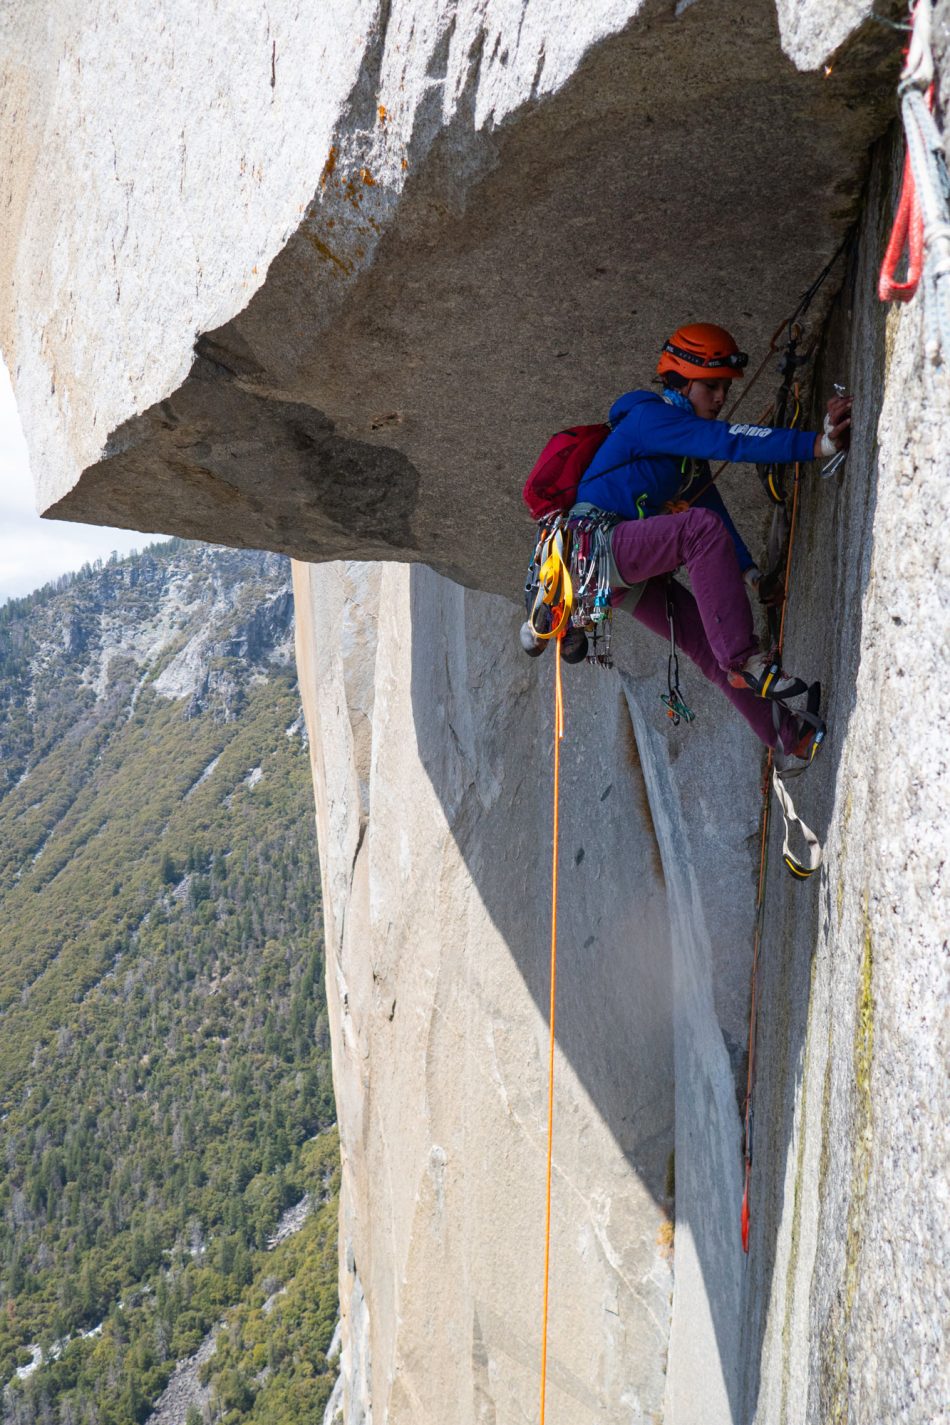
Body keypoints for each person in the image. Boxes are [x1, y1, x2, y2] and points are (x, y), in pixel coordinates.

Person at [573, 322, 852, 758]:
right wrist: (819, 444)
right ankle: (748, 661)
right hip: (596, 545)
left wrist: (750, 573)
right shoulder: (653, 417)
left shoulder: (683, 451)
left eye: (725, 387)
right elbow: (731, 443)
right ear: (682, 380)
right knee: (697, 533)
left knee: (707, 642)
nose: (721, 398)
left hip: (602, 567)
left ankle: (791, 738)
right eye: (713, 387)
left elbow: (715, 507)